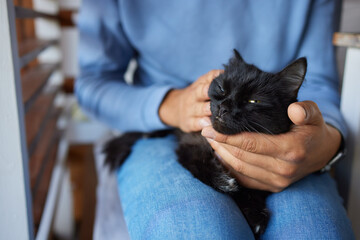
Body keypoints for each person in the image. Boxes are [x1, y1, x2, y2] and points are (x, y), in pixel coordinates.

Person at [76, 0, 355, 239]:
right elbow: (93, 82)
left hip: (283, 139)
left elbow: (317, 81)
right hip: (169, 129)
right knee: (196, 229)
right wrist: (168, 104)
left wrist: (327, 141)